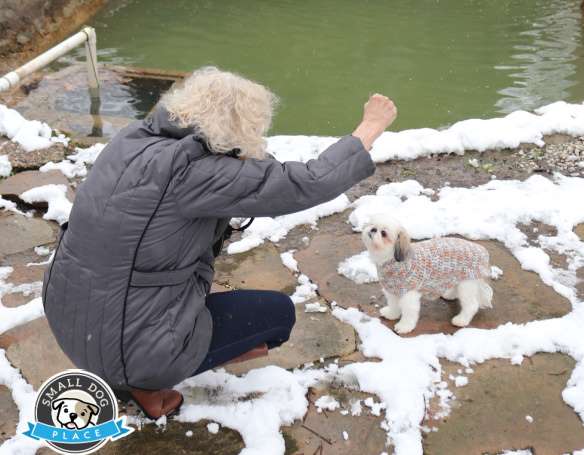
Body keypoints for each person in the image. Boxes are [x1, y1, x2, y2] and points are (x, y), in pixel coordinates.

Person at [42, 66, 397, 419]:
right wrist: (371, 126)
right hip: (126, 350)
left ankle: (135, 371)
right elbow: (308, 182)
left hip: (70, 319)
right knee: (277, 316)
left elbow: (246, 171)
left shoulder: (133, 140)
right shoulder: (197, 173)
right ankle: (145, 383)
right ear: (241, 129)